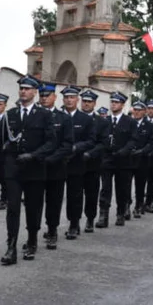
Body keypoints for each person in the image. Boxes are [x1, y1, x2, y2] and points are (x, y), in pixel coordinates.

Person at [0, 75, 56, 264]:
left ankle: (32, 240)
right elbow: (4, 141)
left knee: (33, 208)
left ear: (34, 92)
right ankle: (11, 246)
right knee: (13, 208)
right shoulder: (11, 115)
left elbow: (51, 143)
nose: (23, 91)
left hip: (34, 169)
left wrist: (33, 155)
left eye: (27, 89)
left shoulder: (45, 115)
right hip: (14, 169)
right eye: (21, 88)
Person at [41, 82, 73, 250]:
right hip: (36, 168)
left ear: (54, 97)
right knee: (36, 203)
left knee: (54, 201)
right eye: (42, 96)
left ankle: (52, 230)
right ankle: (33, 232)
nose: (44, 98)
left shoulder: (64, 118)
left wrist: (52, 158)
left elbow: (67, 145)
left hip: (56, 167)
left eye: (47, 95)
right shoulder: (35, 116)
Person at [97, 91, 135, 227]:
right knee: (105, 188)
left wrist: (124, 151)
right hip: (107, 159)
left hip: (123, 161)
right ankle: (103, 216)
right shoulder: (104, 121)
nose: (113, 104)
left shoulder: (129, 121)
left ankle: (120, 214)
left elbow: (133, 140)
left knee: (122, 189)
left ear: (123, 104)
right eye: (112, 102)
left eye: (116, 102)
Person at [62, 86, 93, 238]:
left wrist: (76, 147)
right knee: (54, 196)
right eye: (66, 97)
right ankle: (52, 226)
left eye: (72, 97)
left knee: (75, 195)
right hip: (58, 162)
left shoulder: (85, 119)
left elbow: (90, 141)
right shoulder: (57, 117)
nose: (69, 100)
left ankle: (74, 223)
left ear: (77, 100)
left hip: (76, 162)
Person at [78, 91, 107, 233]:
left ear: (94, 104)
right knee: (75, 195)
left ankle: (90, 219)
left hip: (92, 164)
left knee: (91, 194)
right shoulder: (73, 119)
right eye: (84, 101)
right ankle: (74, 221)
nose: (86, 104)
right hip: (75, 163)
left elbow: (103, 143)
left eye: (89, 101)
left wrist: (90, 153)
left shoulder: (101, 122)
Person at [0, 93, 10, 209]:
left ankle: (4, 199)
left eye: (1, 104)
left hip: (4, 153)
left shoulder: (7, 118)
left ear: (5, 105)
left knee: (4, 177)